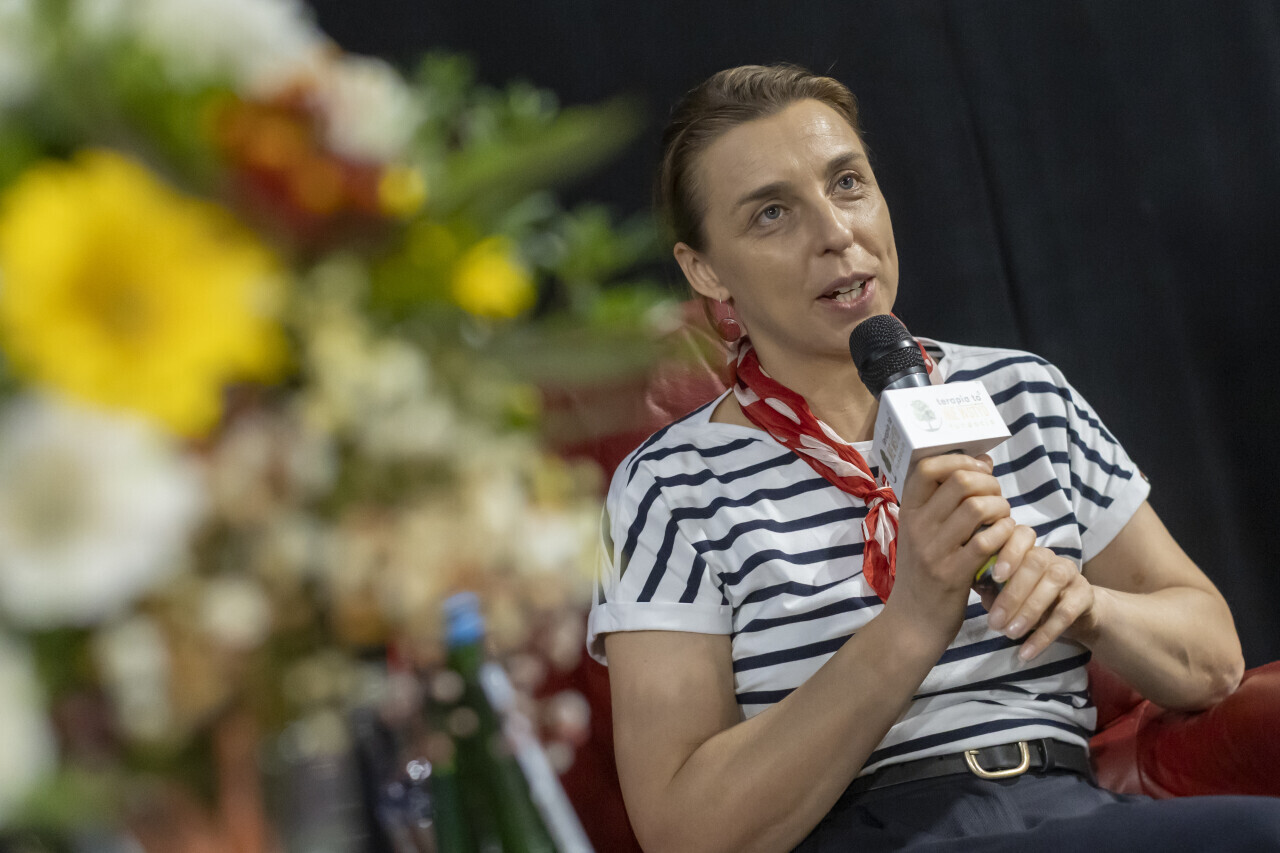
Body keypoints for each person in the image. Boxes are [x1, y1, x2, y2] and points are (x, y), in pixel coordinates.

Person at [585, 64, 1280, 852]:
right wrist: (913, 621)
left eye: (848, 183)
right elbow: (684, 829)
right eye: (773, 213)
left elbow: (1213, 659)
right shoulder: (668, 485)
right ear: (706, 270)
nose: (836, 232)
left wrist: (1088, 606)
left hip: (1072, 809)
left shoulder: (1021, 392)